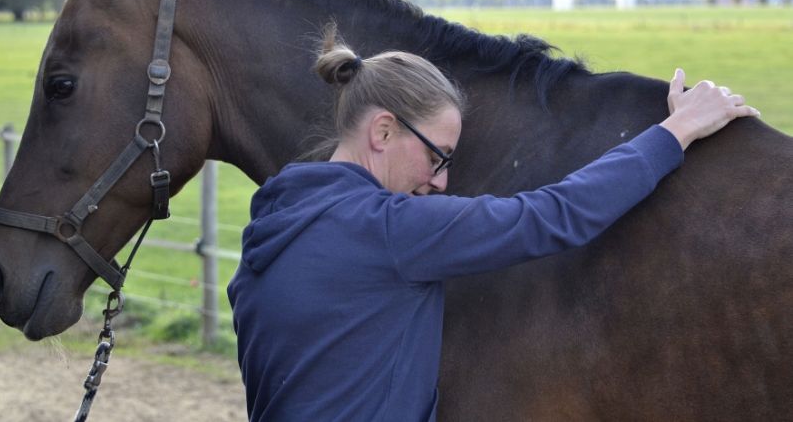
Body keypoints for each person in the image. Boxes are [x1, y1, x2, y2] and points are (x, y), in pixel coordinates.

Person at [226, 31, 760, 422]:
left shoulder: (272, 229)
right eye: (438, 156)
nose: (441, 182)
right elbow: (551, 216)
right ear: (384, 131)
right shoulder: (388, 231)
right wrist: (676, 131)